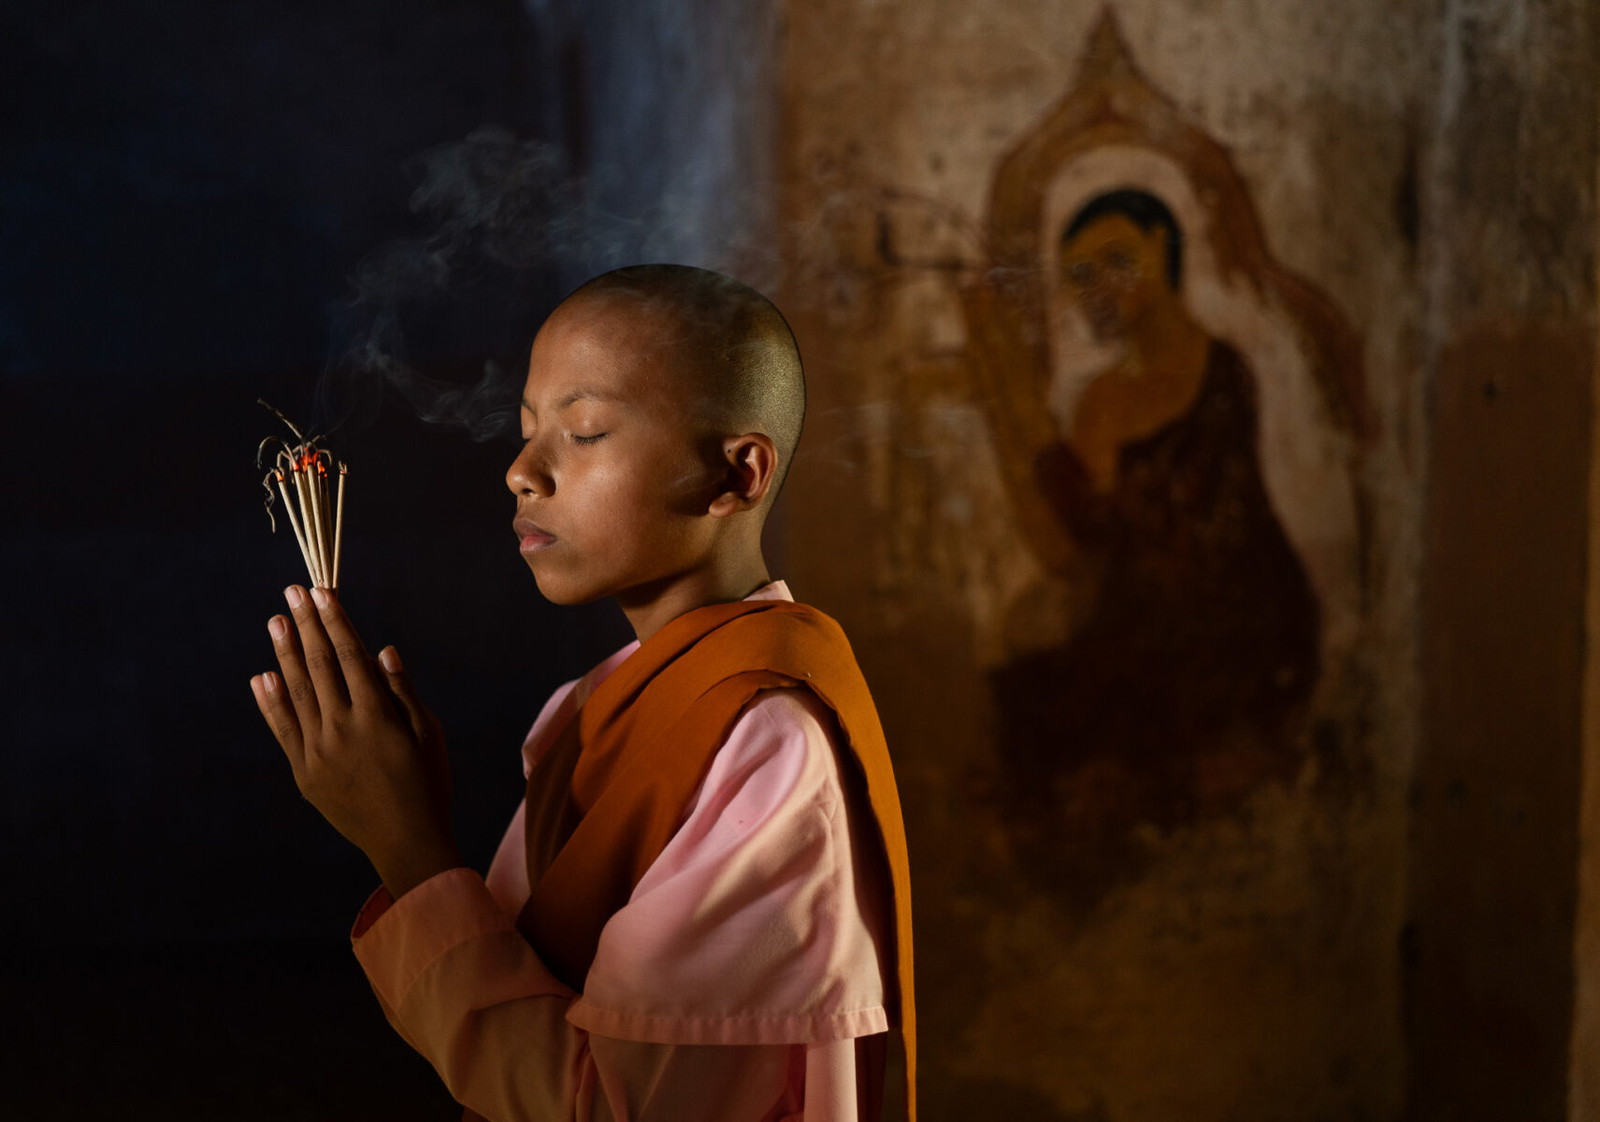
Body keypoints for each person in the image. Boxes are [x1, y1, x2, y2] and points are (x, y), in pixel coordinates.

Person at [248, 265, 915, 1121]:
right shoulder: (582, 708)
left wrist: (408, 849)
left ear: (737, 476)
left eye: (586, 431)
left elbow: (596, 1106)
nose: (522, 472)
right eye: (526, 431)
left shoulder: (768, 742)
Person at [989, 190, 1320, 906]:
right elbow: (1084, 542)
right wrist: (1018, 417)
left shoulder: (1223, 372)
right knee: (1024, 696)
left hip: (1245, 619)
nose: (1097, 289)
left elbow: (1184, 525)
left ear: (1166, 259)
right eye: (1079, 275)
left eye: (1116, 261)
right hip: (1148, 619)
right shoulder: (1103, 398)